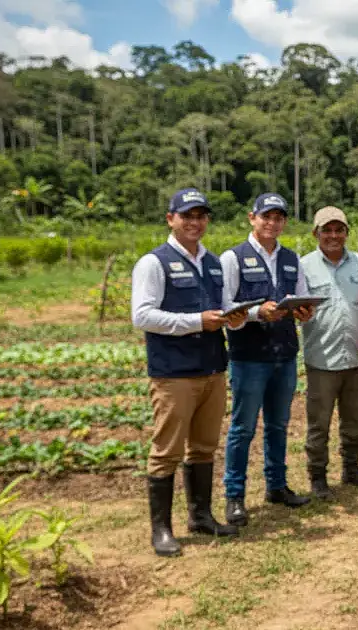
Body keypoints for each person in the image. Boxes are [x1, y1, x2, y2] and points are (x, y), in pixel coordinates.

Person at [131, 187, 242, 557]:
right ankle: (161, 529)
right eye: (187, 216)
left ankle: (201, 516)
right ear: (171, 219)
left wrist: (238, 317)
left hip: (212, 368)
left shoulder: (213, 262)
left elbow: (222, 307)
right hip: (174, 373)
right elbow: (142, 315)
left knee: (204, 447)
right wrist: (196, 321)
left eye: (201, 216)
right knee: (166, 451)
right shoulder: (153, 263)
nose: (195, 222)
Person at [218, 192, 316, 527]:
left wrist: (304, 311)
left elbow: (300, 296)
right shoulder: (233, 258)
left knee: (278, 424)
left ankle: (276, 485)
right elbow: (225, 307)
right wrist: (257, 313)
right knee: (243, 427)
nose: (272, 223)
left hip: (285, 354)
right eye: (266, 217)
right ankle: (234, 495)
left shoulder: (291, 259)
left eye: (278, 218)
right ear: (252, 218)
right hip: (249, 356)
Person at [299, 206, 358, 500]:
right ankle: (318, 476)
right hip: (322, 358)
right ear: (316, 233)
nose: (333, 235)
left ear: (346, 232)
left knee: (354, 420)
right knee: (318, 424)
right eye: (327, 230)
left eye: (339, 230)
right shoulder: (304, 266)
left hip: (356, 357)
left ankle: (351, 468)